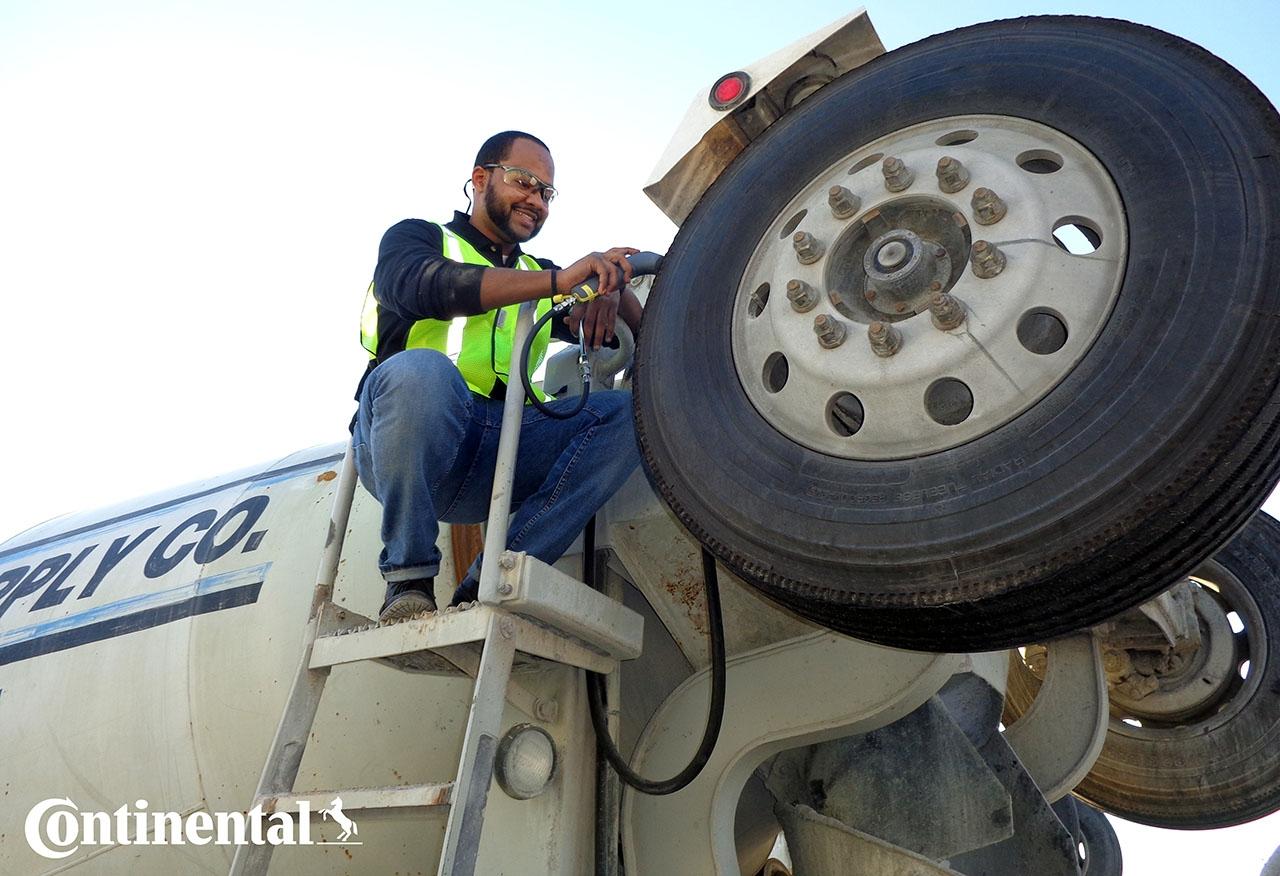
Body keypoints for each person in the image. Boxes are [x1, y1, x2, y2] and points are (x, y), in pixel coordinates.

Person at [352, 130, 644, 622]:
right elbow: (424, 286)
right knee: (423, 372)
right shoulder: (418, 239)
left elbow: (611, 331)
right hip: (410, 443)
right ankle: (409, 583)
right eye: (523, 181)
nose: (535, 199)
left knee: (628, 417)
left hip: (500, 450)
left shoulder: (536, 270)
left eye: (546, 192)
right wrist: (561, 281)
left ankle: (489, 582)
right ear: (480, 178)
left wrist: (612, 289)